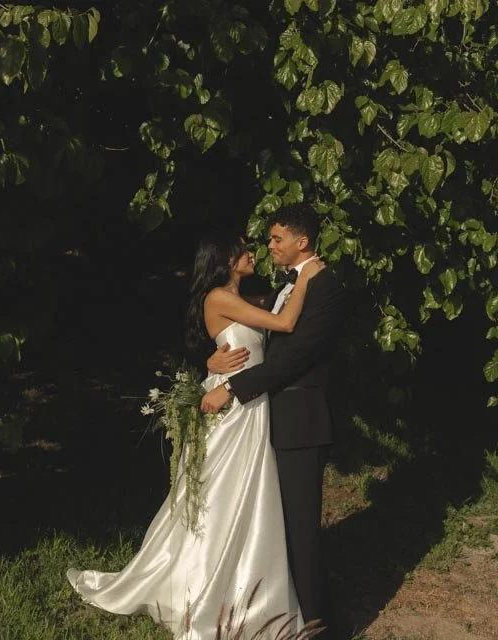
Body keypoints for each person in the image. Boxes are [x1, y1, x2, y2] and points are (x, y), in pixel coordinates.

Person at [67, 231, 325, 639]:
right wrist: (309, 274)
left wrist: (213, 361)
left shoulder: (243, 298)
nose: (252, 254)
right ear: (226, 259)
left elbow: (269, 321)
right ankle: (204, 580)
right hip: (232, 408)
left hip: (251, 406)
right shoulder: (218, 297)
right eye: (242, 250)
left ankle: (247, 579)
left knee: (249, 492)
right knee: (219, 494)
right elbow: (285, 321)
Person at [201, 204, 345, 635]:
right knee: (274, 519)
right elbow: (255, 336)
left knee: (301, 522)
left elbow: (297, 357)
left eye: (276, 238)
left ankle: (313, 619)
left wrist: (232, 388)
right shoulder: (283, 286)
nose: (269, 246)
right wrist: (214, 362)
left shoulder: (326, 286)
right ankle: (275, 605)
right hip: (267, 419)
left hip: (300, 418)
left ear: (302, 241)